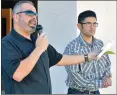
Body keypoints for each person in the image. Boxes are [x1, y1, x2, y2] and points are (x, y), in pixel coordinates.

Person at [1, 1, 98, 94]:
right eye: (30, 13)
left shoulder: (37, 40)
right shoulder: (7, 43)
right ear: (16, 17)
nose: (34, 17)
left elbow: (60, 59)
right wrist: (39, 49)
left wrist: (87, 57)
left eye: (36, 14)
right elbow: (18, 74)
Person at [63, 10, 112, 94]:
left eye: (94, 23)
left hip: (96, 92)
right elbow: (76, 78)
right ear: (79, 26)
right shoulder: (72, 47)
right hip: (78, 92)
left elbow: (107, 64)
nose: (92, 27)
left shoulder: (99, 44)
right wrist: (101, 83)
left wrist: (107, 77)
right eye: (88, 23)